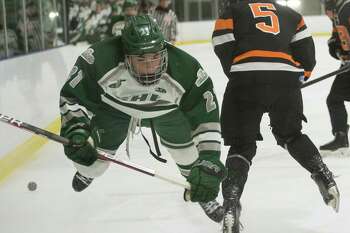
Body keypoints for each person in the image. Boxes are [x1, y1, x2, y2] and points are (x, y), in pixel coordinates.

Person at [60, 15, 227, 223]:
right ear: (126, 54)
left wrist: (210, 159)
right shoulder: (99, 59)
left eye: (155, 57)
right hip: (115, 109)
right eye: (141, 59)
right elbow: (74, 96)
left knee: (189, 158)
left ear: (164, 50)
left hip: (167, 111)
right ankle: (89, 172)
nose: (149, 65)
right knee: (92, 164)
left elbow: (205, 117)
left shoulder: (186, 68)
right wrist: (76, 130)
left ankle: (198, 190)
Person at [212, 0, 340, 232]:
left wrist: (240, 72)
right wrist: (295, 79)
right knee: (291, 134)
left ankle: (231, 203)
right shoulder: (291, 14)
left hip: (244, 79)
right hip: (285, 78)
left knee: (241, 145)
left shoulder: (232, 11)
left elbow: (222, 44)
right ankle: (323, 175)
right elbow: (307, 54)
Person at [319, 0, 350, 155]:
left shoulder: (346, 7)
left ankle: (341, 136)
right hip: (347, 65)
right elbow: (337, 38)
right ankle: (341, 136)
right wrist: (335, 47)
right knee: (334, 99)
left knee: (334, 99)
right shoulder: (339, 10)